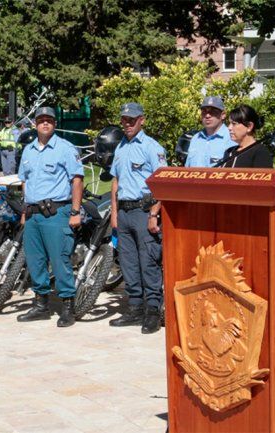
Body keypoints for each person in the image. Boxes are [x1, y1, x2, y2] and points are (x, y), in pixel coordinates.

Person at [17, 107, 84, 327]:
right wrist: (25, 212)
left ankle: (67, 306)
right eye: (41, 120)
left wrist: (75, 212)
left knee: (59, 259)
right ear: (35, 124)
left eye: (49, 120)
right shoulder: (28, 150)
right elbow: (24, 181)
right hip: (33, 214)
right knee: (35, 261)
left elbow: (76, 180)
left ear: (54, 124)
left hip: (56, 212)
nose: (45, 124)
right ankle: (40, 304)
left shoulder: (65, 148)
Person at [107, 102, 167, 334]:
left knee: (148, 261)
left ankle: (152, 310)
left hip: (144, 212)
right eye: (124, 120)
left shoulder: (152, 147)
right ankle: (134, 308)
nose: (128, 124)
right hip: (124, 212)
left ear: (142, 120)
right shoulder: (121, 147)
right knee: (128, 262)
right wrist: (114, 213)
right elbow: (115, 182)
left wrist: (154, 213)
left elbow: (162, 183)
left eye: (132, 120)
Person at [183, 96, 236, 167]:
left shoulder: (232, 138)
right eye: (204, 112)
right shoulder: (195, 138)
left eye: (213, 112)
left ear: (223, 115)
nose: (207, 115)